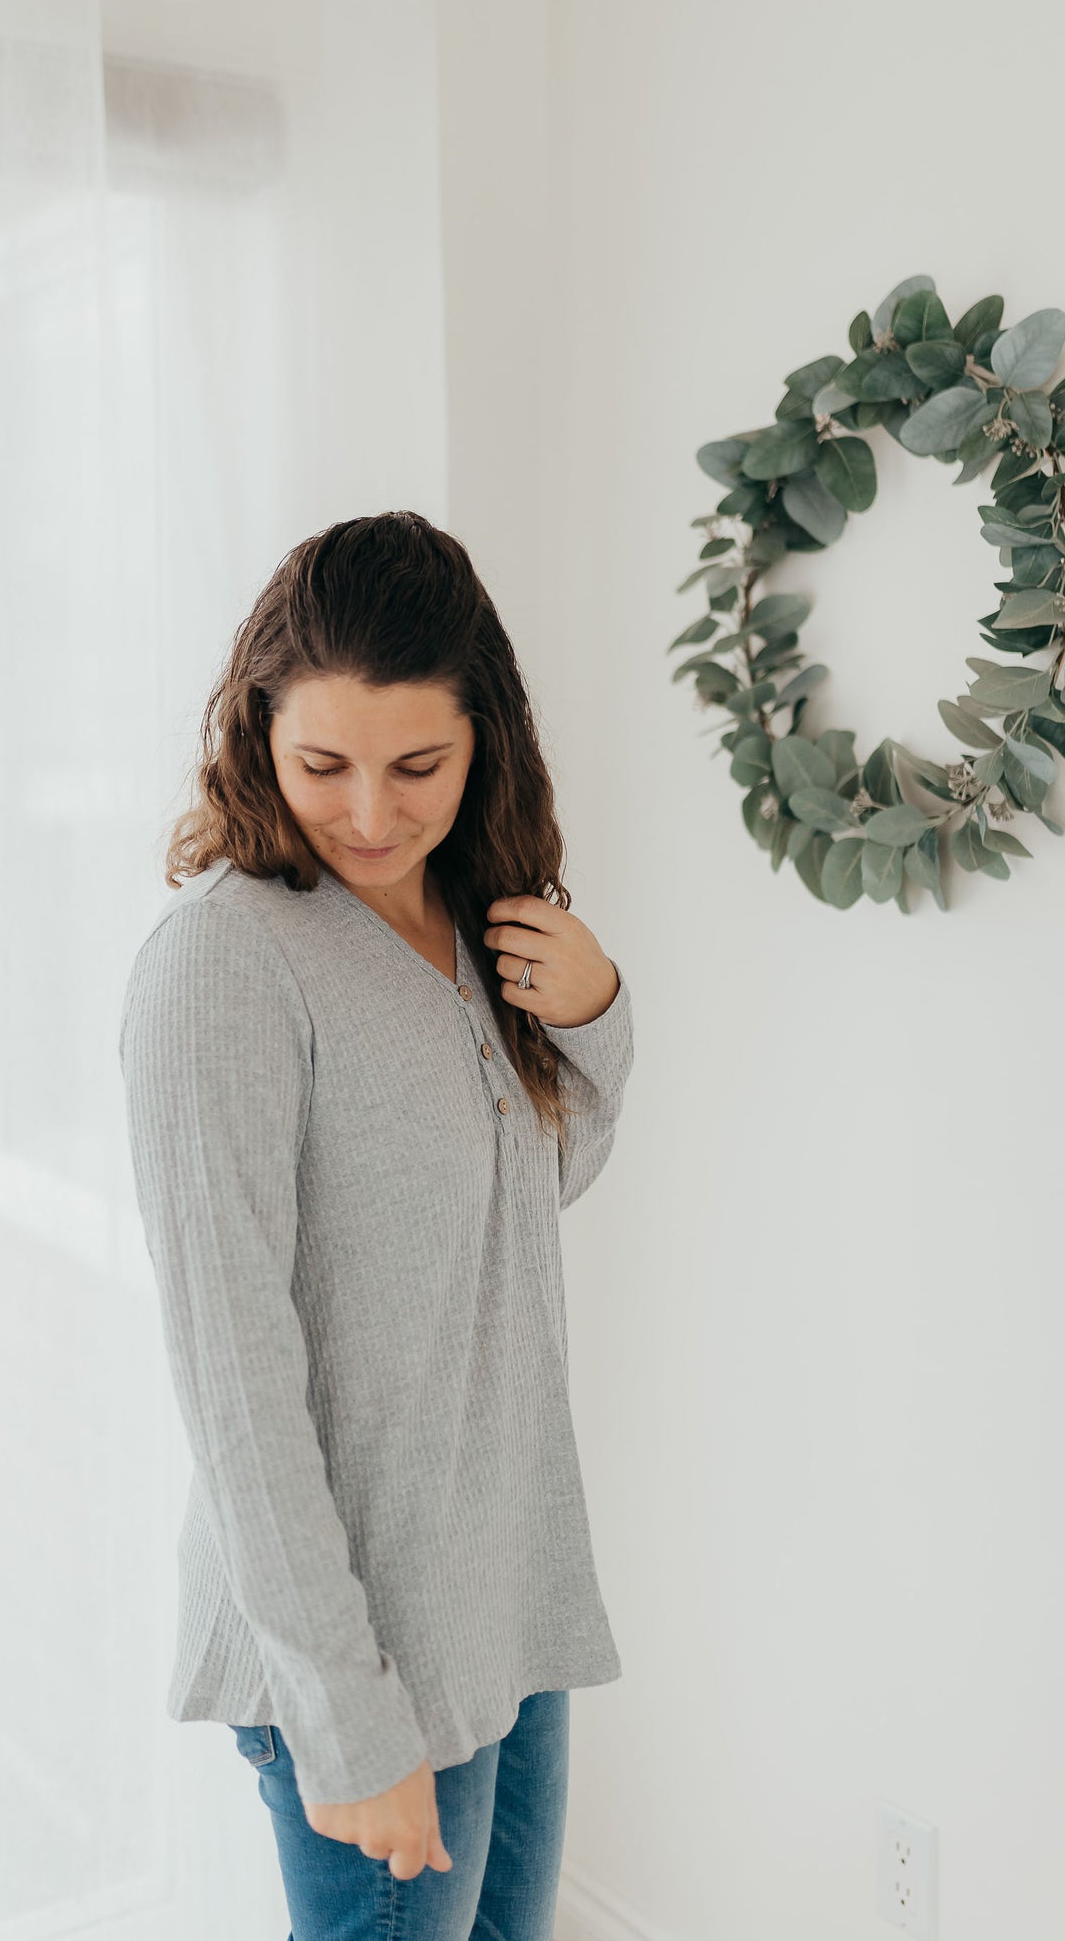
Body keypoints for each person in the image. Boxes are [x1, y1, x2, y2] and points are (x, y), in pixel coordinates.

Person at [118, 511, 636, 1940]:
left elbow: (518, 1213)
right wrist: (345, 1710)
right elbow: (233, 1383)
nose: (365, 813)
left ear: (486, 741)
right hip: (355, 1638)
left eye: (417, 766)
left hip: (503, 1597)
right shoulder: (225, 966)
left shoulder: (476, 923)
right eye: (320, 763)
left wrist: (592, 1014)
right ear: (255, 735)